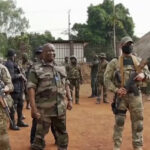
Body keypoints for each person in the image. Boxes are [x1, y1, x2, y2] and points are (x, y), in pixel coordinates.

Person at [104, 36, 150, 150]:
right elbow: (106, 79)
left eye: (131, 44)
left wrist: (144, 75)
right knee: (119, 123)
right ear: (121, 46)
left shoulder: (138, 61)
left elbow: (148, 75)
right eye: (126, 44)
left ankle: (138, 147)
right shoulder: (114, 62)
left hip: (135, 96)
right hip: (121, 96)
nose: (129, 46)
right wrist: (116, 90)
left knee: (138, 124)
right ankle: (117, 146)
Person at [27, 43, 73, 150]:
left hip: (60, 108)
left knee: (62, 134)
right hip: (44, 110)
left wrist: (70, 99)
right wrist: (33, 108)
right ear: (42, 53)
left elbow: (66, 83)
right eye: (48, 50)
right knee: (39, 137)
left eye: (53, 50)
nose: (51, 53)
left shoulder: (60, 67)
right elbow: (31, 88)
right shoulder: (36, 68)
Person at [30, 46, 58, 145]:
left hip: (52, 100)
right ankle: (34, 141)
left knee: (54, 121)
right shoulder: (34, 67)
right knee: (37, 122)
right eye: (37, 53)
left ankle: (57, 138)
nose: (39, 55)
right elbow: (31, 86)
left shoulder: (52, 65)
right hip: (40, 101)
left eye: (40, 53)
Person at [5, 49, 28, 130]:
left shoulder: (13, 63)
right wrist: (20, 75)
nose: (15, 56)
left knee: (20, 105)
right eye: (14, 55)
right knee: (13, 106)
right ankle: (12, 124)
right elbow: (10, 77)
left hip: (19, 88)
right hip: (14, 89)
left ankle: (19, 121)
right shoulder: (9, 64)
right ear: (13, 55)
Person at [0, 63, 14, 150]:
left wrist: (5, 89)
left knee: (1, 132)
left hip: (1, 105)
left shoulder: (2, 69)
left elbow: (10, 86)